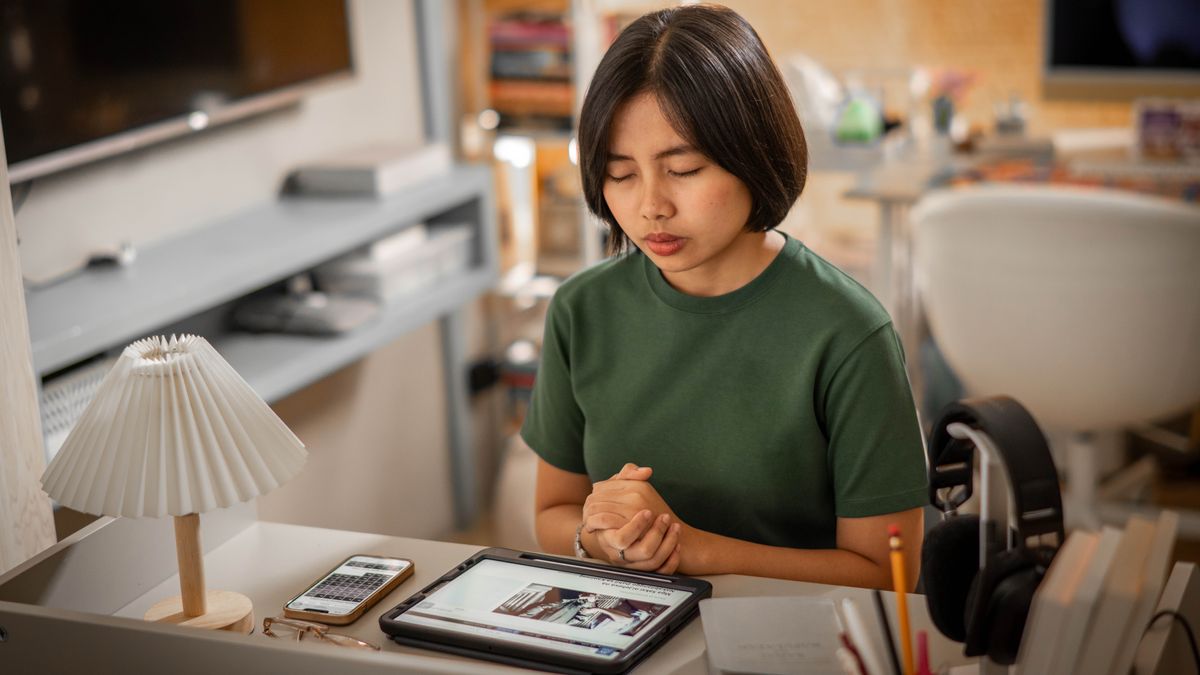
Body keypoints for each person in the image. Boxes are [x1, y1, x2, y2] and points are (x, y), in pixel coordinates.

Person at [522, 4, 926, 590]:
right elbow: (553, 512)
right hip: (627, 621)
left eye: (684, 169)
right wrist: (599, 539)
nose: (651, 206)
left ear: (754, 154)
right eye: (621, 174)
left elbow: (888, 576)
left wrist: (692, 550)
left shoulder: (848, 333)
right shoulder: (580, 310)